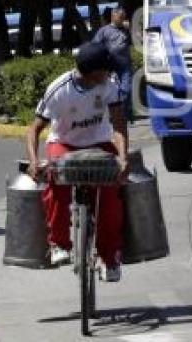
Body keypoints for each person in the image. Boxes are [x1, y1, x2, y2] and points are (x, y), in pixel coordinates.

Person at [26, 41, 130, 281]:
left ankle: (109, 257)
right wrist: (34, 162)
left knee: (110, 193)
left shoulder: (109, 86)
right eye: (106, 69)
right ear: (93, 71)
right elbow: (33, 129)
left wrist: (123, 159)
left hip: (99, 142)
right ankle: (59, 244)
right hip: (64, 143)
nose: (110, 73)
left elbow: (118, 124)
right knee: (55, 181)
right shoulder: (59, 90)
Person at [92, 6, 133, 122]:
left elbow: (134, 41)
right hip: (110, 66)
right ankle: (108, 115)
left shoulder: (126, 29)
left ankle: (124, 115)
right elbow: (95, 45)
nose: (122, 19)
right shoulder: (104, 31)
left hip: (125, 66)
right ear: (113, 16)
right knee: (108, 91)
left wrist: (130, 29)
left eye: (123, 17)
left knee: (126, 90)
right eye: (120, 17)